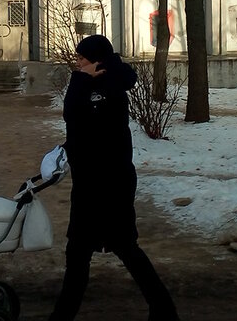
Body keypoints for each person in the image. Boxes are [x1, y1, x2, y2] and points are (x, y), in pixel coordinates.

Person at [49, 34, 179, 321]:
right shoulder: (97, 83)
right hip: (92, 184)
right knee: (86, 252)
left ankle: (164, 311)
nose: (78, 62)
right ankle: (164, 310)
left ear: (97, 60)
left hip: (108, 185)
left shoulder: (106, 86)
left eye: (82, 58)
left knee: (111, 249)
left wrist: (79, 80)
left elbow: (74, 117)